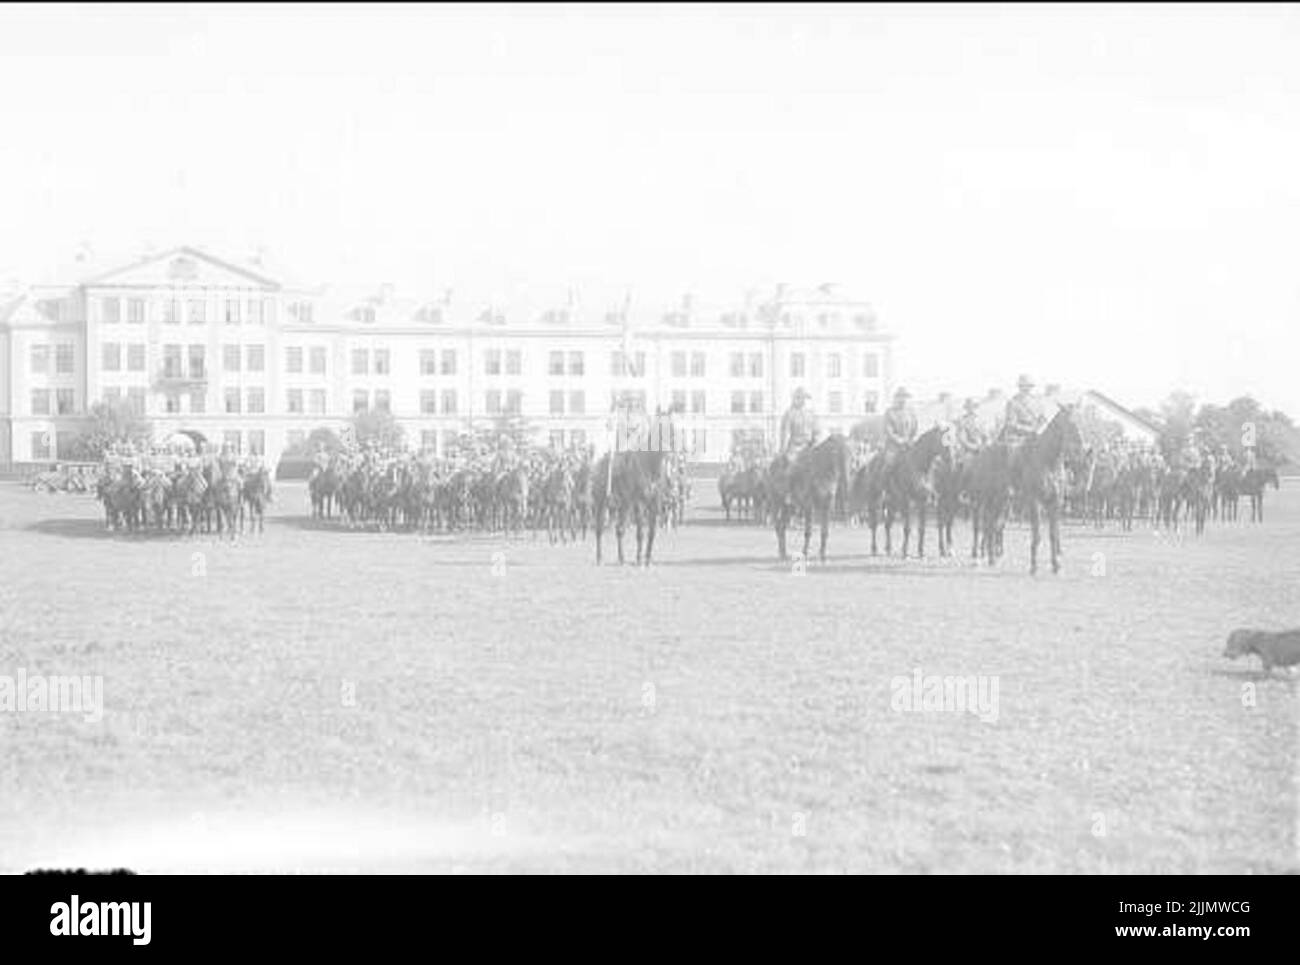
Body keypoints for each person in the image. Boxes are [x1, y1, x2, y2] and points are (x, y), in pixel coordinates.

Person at [881, 387, 917, 472]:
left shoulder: (911, 413)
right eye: (901, 397)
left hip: (908, 445)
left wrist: (911, 440)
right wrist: (899, 440)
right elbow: (888, 430)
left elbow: (914, 429)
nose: (903, 400)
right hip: (893, 446)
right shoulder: (890, 412)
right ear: (896, 398)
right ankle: (883, 482)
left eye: (905, 397)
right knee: (889, 463)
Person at [778, 387, 820, 459]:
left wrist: (815, 443)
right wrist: (783, 450)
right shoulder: (789, 413)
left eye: (803, 398)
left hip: (809, 447)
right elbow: (785, 433)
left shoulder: (810, 413)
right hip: (795, 447)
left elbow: (816, 431)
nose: (802, 400)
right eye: (798, 397)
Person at [1001, 374, 1044, 445]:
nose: (1027, 388)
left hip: (1036, 436)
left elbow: (1042, 419)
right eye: (1024, 386)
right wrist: (1030, 430)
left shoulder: (1037, 401)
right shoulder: (1013, 403)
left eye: (1029, 386)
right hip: (1019, 438)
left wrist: (1041, 428)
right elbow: (1011, 424)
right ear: (1019, 387)